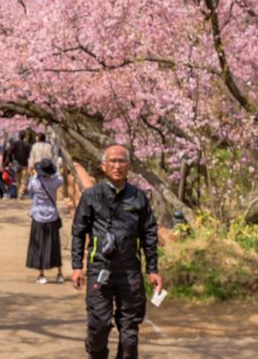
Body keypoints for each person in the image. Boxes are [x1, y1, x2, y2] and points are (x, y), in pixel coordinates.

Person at [71, 144, 163, 359]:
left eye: (122, 161)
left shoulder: (139, 197)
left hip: (129, 271)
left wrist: (152, 269)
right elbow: (78, 231)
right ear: (103, 166)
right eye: (112, 161)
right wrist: (77, 266)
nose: (117, 166)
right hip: (99, 269)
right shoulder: (91, 196)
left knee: (130, 333)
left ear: (129, 166)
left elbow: (149, 234)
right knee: (99, 326)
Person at [27, 157, 66, 284]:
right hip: (52, 216)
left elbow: (29, 188)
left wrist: (34, 174)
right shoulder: (56, 181)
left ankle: (41, 274)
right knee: (54, 245)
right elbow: (60, 177)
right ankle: (59, 273)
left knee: (39, 245)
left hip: (38, 215)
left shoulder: (35, 182)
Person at [10, 131, 33, 199]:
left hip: (16, 164)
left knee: (17, 179)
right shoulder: (27, 145)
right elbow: (29, 155)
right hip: (24, 164)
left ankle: (19, 193)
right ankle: (20, 193)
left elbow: (10, 152)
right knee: (24, 180)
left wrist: (11, 160)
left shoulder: (15, 144)